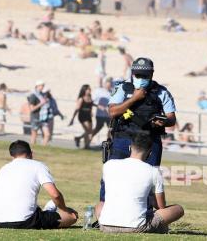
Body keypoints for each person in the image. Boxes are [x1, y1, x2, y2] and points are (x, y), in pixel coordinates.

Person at [99, 57, 177, 203]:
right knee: (111, 178)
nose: (140, 79)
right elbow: (113, 111)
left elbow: (172, 118)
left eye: (144, 76)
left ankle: (146, 213)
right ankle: (104, 211)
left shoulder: (161, 92)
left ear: (151, 75)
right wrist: (134, 98)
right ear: (132, 74)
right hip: (123, 138)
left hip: (149, 141)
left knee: (148, 180)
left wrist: (163, 122)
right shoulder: (123, 88)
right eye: (137, 75)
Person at [97, 133, 184, 233]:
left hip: (106, 225)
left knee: (100, 205)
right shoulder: (153, 172)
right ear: (150, 152)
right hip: (136, 227)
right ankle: (159, 228)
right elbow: (160, 206)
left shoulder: (109, 165)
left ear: (130, 148)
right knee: (178, 209)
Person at [0, 140, 78, 229]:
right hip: (25, 220)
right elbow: (55, 195)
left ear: (12, 156)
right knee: (72, 216)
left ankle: (48, 210)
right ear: (31, 153)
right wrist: (65, 210)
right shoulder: (38, 166)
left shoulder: (3, 169)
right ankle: (49, 210)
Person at [69, 85, 93, 149]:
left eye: (90, 88)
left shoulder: (90, 96)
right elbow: (77, 109)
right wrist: (72, 119)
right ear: (84, 90)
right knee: (88, 131)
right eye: (88, 89)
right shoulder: (81, 98)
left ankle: (78, 138)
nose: (90, 90)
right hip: (82, 116)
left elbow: (90, 105)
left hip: (88, 116)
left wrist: (97, 106)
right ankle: (86, 146)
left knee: (90, 132)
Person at [28, 80, 50, 146]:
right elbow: (32, 109)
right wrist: (41, 103)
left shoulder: (42, 95)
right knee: (34, 135)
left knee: (47, 134)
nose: (43, 87)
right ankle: (31, 150)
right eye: (41, 85)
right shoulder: (33, 96)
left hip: (43, 117)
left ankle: (43, 148)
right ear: (37, 86)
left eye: (43, 85)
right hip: (35, 117)